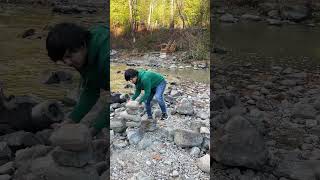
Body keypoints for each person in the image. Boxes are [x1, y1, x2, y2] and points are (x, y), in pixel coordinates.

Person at [46, 23, 109, 135]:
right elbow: (91, 90)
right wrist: (70, 121)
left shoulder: (106, 56)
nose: (68, 63)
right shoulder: (82, 57)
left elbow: (119, 98)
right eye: (63, 59)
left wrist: (95, 128)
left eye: (70, 56)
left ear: (83, 45)